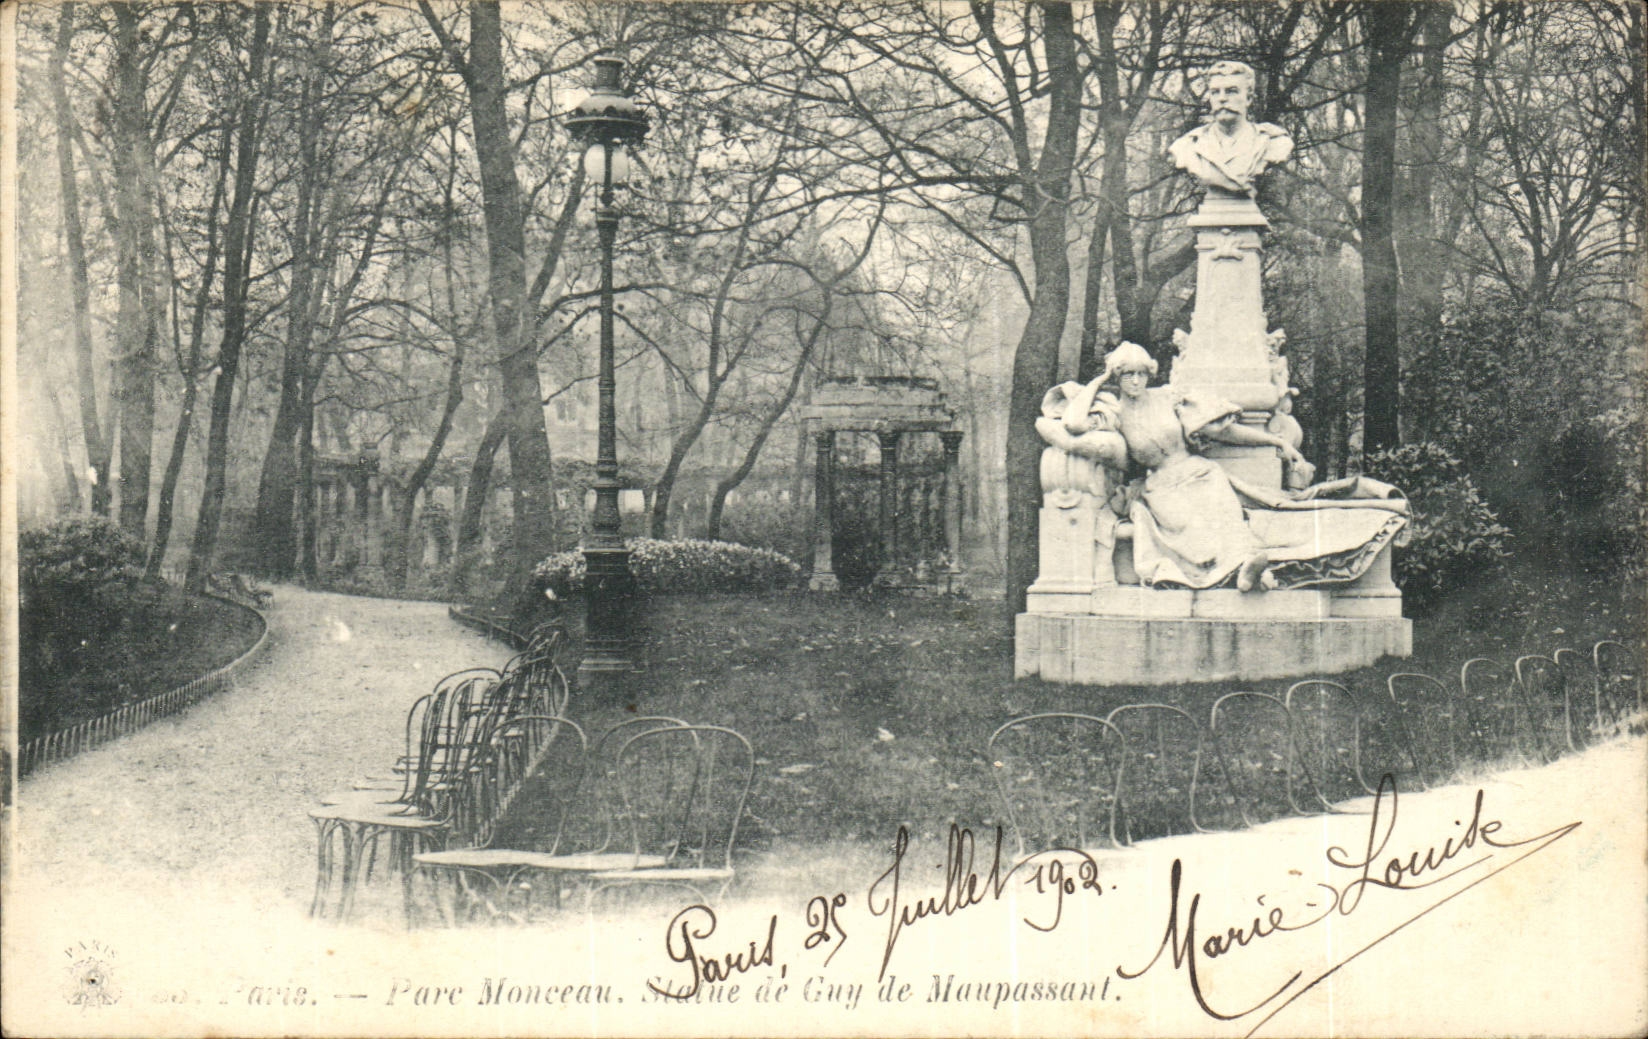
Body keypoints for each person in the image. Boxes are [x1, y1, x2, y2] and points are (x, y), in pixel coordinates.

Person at [1056, 343, 1405, 592]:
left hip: (1200, 472)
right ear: (1117, 377)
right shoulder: (1113, 410)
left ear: (1149, 374)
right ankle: (1244, 573)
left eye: (1140, 373)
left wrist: (1276, 441)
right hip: (1160, 486)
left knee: (1226, 516)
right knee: (1190, 524)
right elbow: (1072, 424)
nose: (1134, 381)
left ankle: (1247, 571)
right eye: (1126, 374)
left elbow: (1224, 432)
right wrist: (1099, 380)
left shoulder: (1169, 398)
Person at [1167, 60, 1293, 198]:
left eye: (1231, 91)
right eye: (1215, 92)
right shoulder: (1187, 145)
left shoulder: (1274, 141)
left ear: (1249, 98)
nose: (1222, 98)